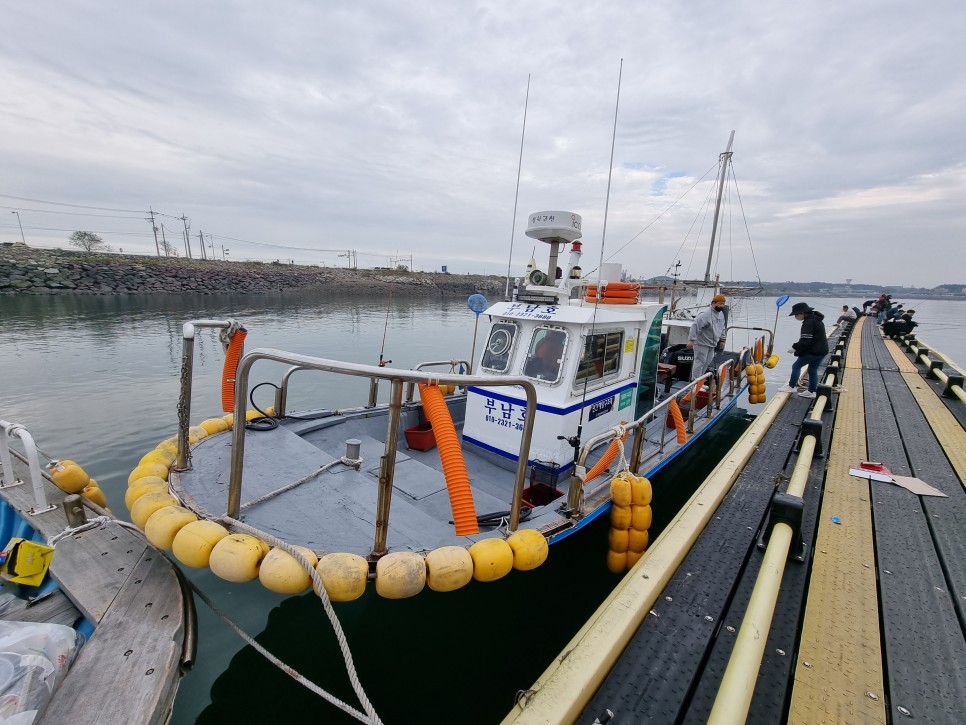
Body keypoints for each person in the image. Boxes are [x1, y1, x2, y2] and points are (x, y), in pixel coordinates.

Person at [779, 302, 829, 399]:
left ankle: (791, 386)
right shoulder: (817, 319)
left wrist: (795, 347)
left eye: (796, 314)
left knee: (796, 366)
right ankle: (812, 391)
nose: (795, 317)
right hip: (822, 351)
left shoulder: (808, 322)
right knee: (812, 370)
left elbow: (806, 340)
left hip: (813, 351)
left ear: (802, 313)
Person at [687, 293, 728, 381]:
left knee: (707, 362)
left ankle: (700, 380)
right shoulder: (705, 314)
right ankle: (694, 382)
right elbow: (695, 325)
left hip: (712, 344)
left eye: (723, 304)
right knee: (699, 363)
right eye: (720, 304)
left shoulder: (721, 314)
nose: (722, 306)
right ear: (714, 303)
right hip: (701, 343)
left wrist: (722, 340)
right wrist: (691, 340)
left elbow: (722, 327)